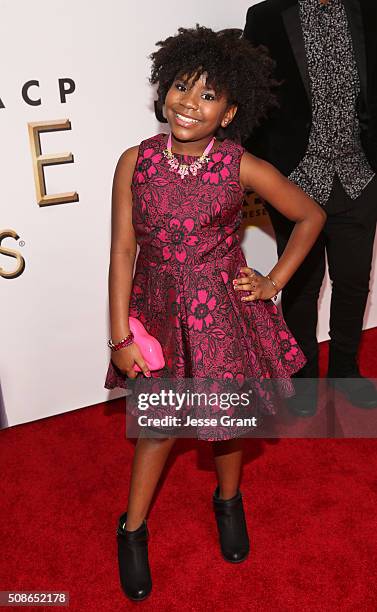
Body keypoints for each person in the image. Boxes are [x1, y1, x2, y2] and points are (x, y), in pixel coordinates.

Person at [104, 26, 325, 601]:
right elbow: (123, 250)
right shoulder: (136, 161)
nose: (188, 103)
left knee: (226, 427)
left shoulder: (239, 166)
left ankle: (228, 502)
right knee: (158, 428)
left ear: (229, 112)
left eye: (208, 96)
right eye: (182, 87)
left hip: (221, 319)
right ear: (165, 90)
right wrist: (118, 333)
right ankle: (132, 531)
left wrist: (272, 281)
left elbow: (309, 216)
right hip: (155, 314)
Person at [244, 0, 377, 416]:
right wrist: (269, 163)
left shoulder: (369, 10)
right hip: (296, 179)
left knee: (354, 280)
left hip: (360, 173)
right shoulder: (266, 16)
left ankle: (345, 371)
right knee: (301, 285)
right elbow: (251, 95)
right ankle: (300, 378)